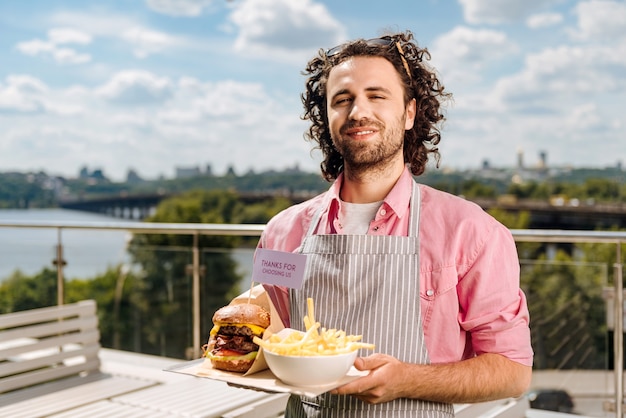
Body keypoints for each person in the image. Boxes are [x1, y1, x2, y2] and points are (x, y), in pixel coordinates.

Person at [258, 30, 533, 417]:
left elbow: (513, 370)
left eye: (376, 95)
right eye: (342, 100)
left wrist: (407, 380)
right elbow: (265, 337)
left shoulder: (471, 232)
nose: (358, 112)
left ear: (409, 113)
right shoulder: (281, 233)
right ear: (327, 118)